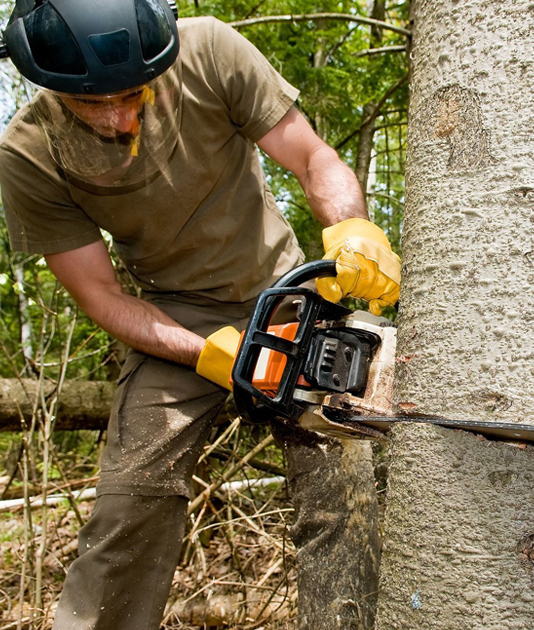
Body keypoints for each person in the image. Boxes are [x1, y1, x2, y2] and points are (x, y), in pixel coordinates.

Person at [0, 1, 401, 628]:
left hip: (283, 290)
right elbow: (100, 295)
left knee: (338, 495)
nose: (118, 117)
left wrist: (351, 226)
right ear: (45, 83)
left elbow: (312, 157)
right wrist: (203, 351)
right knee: (130, 502)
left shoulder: (210, 51)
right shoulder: (27, 153)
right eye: (92, 103)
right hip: (170, 321)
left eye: (132, 94)